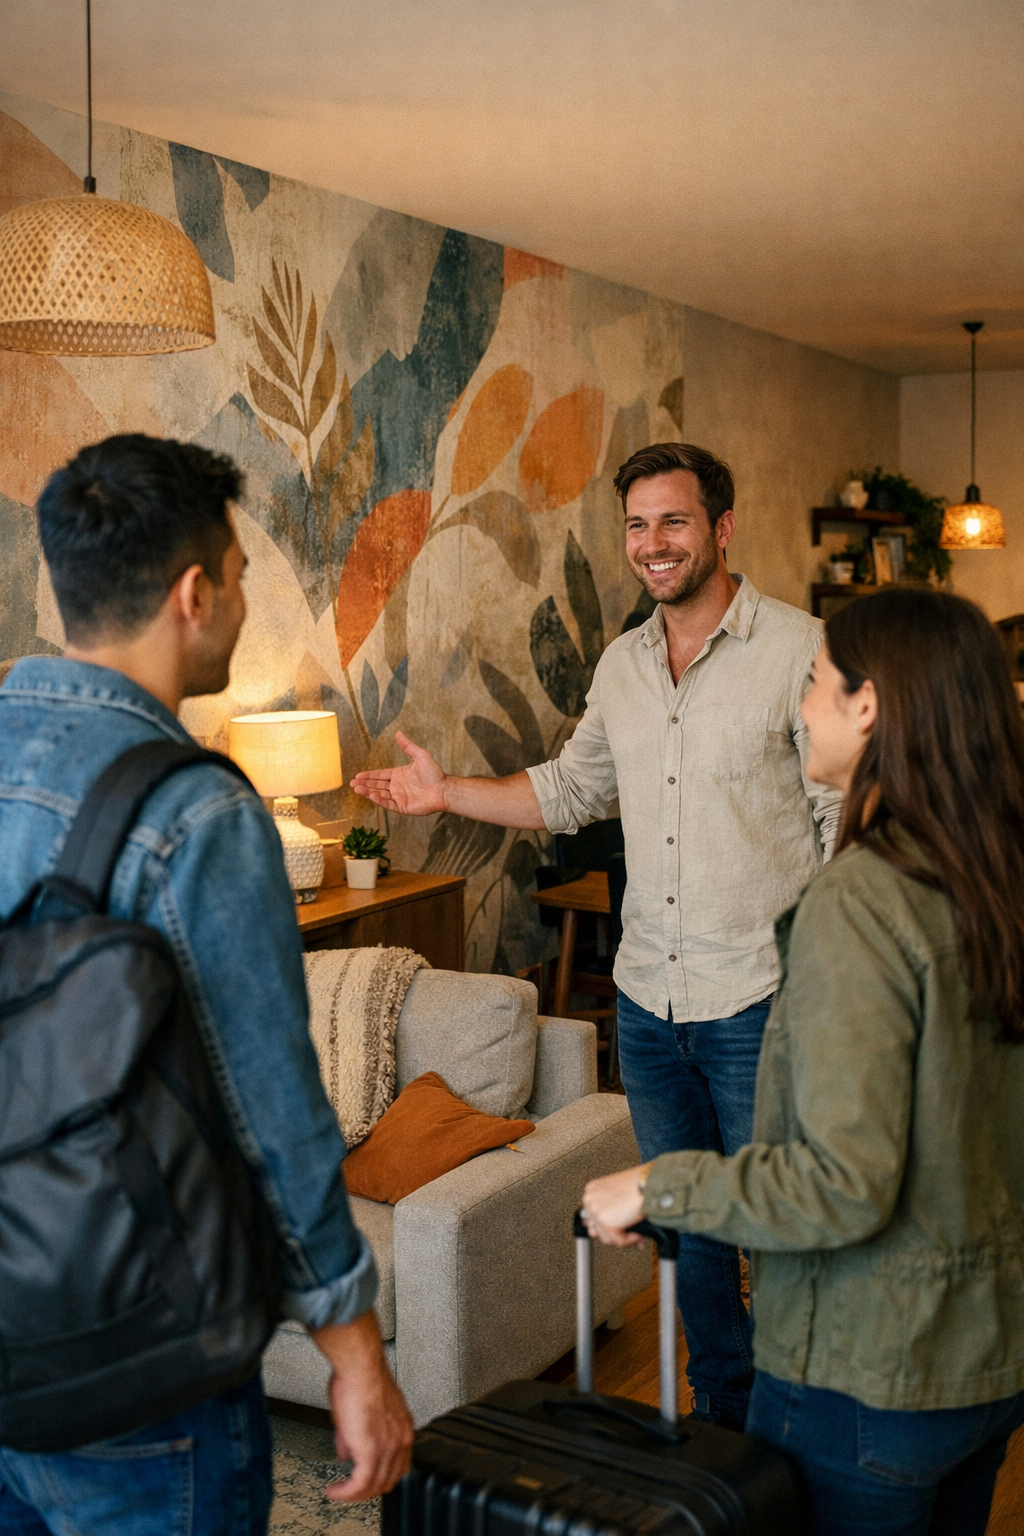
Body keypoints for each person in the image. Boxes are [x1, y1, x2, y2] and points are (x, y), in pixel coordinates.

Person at [352, 441, 841, 1429]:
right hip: (648, 1004)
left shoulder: (799, 652)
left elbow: (839, 821)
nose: (652, 543)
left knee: (786, 1233)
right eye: (636, 525)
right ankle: (722, 1429)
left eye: (673, 521)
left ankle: (804, 1428)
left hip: (761, 996)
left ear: (721, 527)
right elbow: (570, 791)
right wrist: (444, 790)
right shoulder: (621, 665)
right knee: (689, 1230)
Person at [0, 436, 413, 1535]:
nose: (237, 599)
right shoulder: (196, 813)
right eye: (237, 575)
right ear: (194, 592)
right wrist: (354, 1350)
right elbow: (270, 1110)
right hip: (137, 1344)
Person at [580, 585, 1024, 1536]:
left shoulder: (862, 903)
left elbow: (841, 1185)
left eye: (818, 685)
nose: (805, 706)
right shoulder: (996, 876)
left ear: (868, 707)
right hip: (986, 1362)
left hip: (863, 1376)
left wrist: (659, 1186)